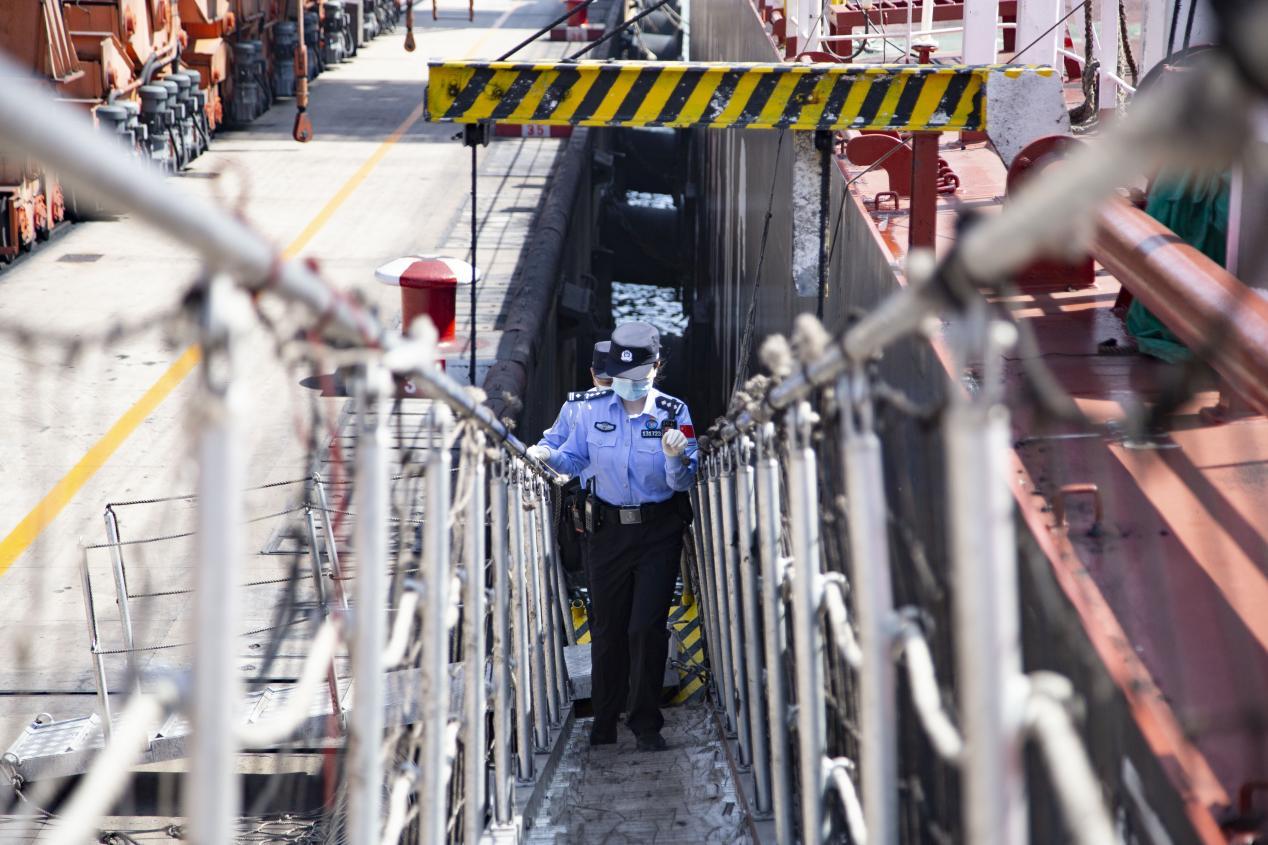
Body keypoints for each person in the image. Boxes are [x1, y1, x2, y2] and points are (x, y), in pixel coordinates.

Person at [527, 322, 697, 751]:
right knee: (607, 629)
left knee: (646, 626)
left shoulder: (674, 413)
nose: (627, 386)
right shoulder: (589, 409)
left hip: (658, 529)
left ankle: (645, 722)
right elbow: (574, 456)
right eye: (620, 379)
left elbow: (682, 482)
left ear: (656, 368)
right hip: (606, 532)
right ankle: (604, 719)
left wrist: (676, 456)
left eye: (637, 378)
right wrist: (546, 454)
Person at [537, 341, 613, 593]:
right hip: (592, 508)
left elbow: (550, 444)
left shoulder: (577, 406)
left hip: (595, 505)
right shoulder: (577, 406)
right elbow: (550, 445)